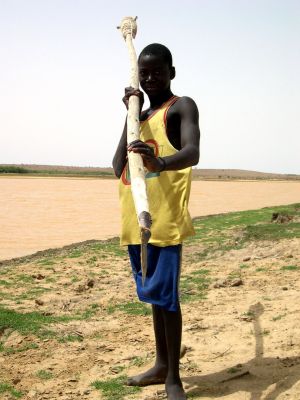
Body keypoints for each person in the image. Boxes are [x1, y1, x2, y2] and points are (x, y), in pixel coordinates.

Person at [112, 43, 200, 400]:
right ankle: (161, 362)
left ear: (171, 73)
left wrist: (159, 162)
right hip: (135, 220)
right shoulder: (141, 115)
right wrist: (129, 116)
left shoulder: (181, 107)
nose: (150, 78)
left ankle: (174, 378)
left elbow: (193, 152)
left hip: (164, 220)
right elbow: (118, 167)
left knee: (168, 298)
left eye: (157, 72)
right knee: (154, 297)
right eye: (143, 73)